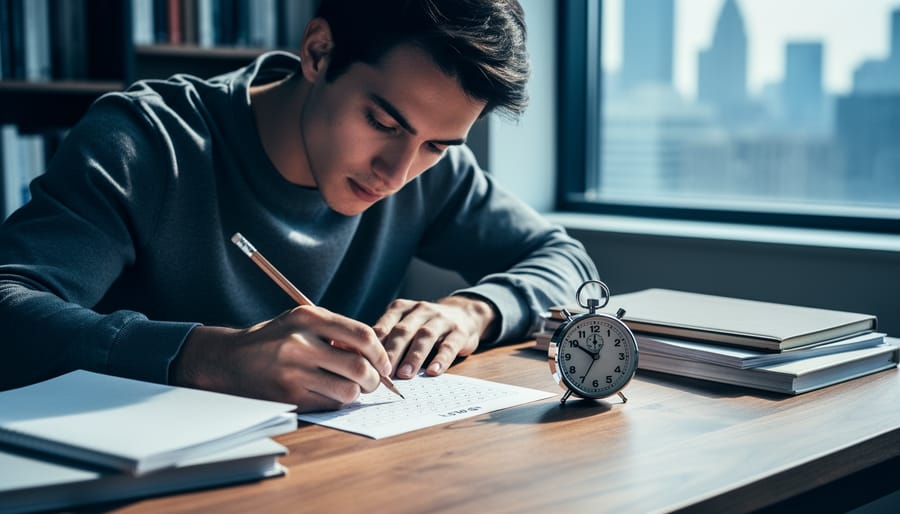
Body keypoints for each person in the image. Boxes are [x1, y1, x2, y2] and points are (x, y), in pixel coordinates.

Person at [0, 0, 597, 411]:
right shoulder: (147, 142)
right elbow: (9, 305)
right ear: (318, 51)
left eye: (437, 146)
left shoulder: (427, 170)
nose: (397, 173)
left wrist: (475, 310)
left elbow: (565, 259)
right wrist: (208, 357)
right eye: (382, 121)